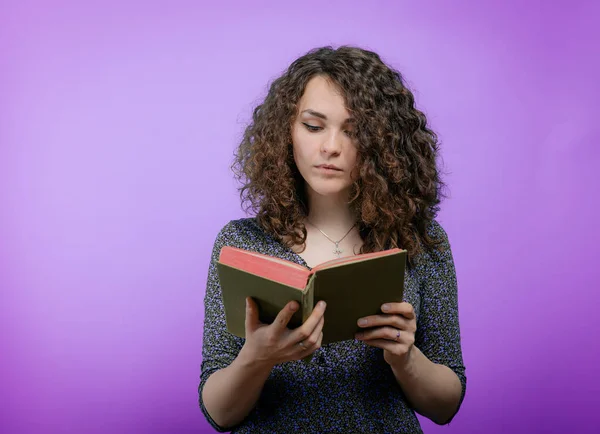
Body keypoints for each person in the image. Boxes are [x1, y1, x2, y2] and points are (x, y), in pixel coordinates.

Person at [198, 45, 467, 433]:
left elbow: (445, 406)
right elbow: (219, 414)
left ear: (382, 143)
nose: (331, 147)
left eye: (354, 130)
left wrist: (405, 358)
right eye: (313, 126)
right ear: (286, 132)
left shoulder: (421, 241)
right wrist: (256, 359)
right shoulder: (241, 243)